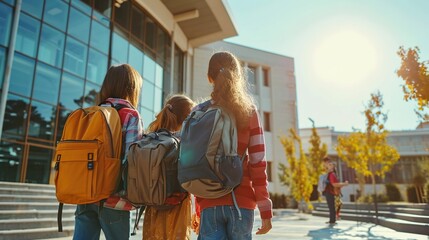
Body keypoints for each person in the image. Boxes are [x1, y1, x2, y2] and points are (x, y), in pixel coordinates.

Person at [194, 51, 273, 239]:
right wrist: (265, 210)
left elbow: (192, 162)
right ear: (237, 76)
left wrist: (197, 206)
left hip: (209, 202)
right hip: (242, 203)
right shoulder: (249, 111)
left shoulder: (199, 112)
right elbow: (258, 163)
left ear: (209, 77)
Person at [73, 64, 144, 240]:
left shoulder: (88, 114)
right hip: (114, 200)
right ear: (132, 88)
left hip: (85, 194)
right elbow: (131, 160)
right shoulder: (130, 115)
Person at [142, 94, 195, 240]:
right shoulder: (185, 140)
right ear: (187, 118)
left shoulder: (151, 137)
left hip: (153, 206)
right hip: (178, 206)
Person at [322, 157, 348, 226]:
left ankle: (332, 220)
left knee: (332, 206)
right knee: (331, 207)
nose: (328, 166)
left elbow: (335, 184)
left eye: (330, 165)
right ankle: (332, 220)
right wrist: (344, 184)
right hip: (329, 192)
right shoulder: (330, 174)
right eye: (328, 164)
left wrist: (344, 184)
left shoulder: (332, 174)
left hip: (330, 192)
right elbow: (334, 184)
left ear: (333, 167)